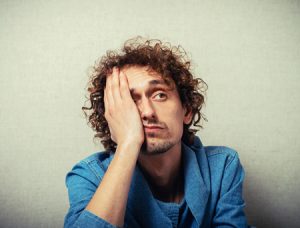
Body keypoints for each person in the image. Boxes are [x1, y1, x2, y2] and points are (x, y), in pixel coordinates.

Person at [64, 37, 248, 228]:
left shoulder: (223, 167)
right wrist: (128, 143)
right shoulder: (88, 176)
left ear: (187, 110)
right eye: (130, 100)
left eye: (160, 95)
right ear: (112, 117)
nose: (148, 112)